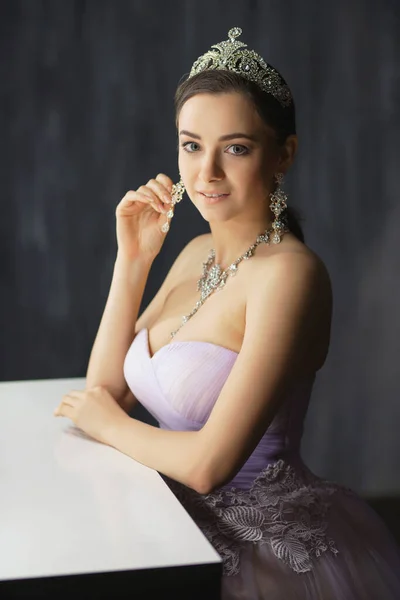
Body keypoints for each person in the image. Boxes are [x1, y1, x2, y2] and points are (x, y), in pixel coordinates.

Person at [54, 27, 400, 599]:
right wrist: (132, 262)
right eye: (191, 145)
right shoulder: (193, 253)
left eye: (235, 148)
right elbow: (105, 392)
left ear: (283, 154)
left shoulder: (291, 275)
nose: (206, 172)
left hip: (258, 548)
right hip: (165, 523)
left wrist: (111, 426)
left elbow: (207, 464)